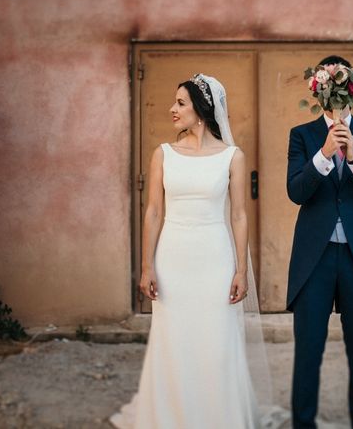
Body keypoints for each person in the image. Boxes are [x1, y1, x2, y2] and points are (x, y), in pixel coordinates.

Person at [109, 73, 278, 429]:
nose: (173, 109)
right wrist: (146, 266)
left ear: (202, 110)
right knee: (174, 341)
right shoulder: (164, 154)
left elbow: (239, 215)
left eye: (181, 103)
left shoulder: (232, 157)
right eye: (174, 102)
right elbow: (153, 212)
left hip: (215, 258)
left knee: (215, 341)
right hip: (172, 258)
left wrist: (240, 271)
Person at [286, 55, 353, 429]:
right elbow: (296, 192)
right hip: (313, 260)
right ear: (320, 90)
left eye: (345, 88)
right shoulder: (301, 136)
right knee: (308, 353)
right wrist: (324, 155)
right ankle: (303, 424)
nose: (339, 96)